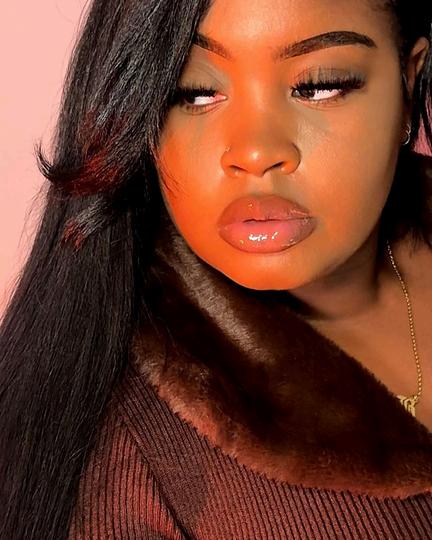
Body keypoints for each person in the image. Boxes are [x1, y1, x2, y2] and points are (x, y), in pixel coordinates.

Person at [1, 0, 432, 538]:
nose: (254, 151)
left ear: (409, 85)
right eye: (195, 93)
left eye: (320, 85)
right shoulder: (123, 454)